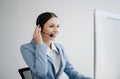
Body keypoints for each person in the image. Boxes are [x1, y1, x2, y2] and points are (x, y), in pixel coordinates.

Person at [20, 12, 92, 79]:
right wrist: (40, 44)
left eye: (58, 26)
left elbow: (72, 73)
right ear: (40, 28)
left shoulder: (60, 48)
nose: (56, 30)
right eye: (51, 26)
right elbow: (41, 73)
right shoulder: (26, 48)